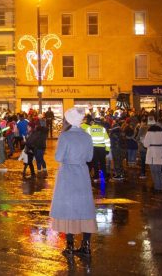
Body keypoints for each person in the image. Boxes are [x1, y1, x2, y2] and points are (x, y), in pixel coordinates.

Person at [50, 108, 97, 258]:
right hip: (82, 173)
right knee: (85, 206)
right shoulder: (87, 136)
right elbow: (89, 158)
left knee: (68, 207)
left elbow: (58, 157)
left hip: (67, 174)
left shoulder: (65, 136)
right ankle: (86, 245)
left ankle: (70, 246)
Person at [143, 118, 162, 191]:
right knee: (159, 171)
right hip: (159, 153)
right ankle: (160, 186)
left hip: (152, 153)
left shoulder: (149, 132)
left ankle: (157, 187)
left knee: (153, 171)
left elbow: (145, 144)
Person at [87, 117, 110, 183]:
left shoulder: (89, 129)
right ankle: (104, 177)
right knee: (103, 163)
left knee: (95, 163)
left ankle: (96, 177)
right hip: (102, 148)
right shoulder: (103, 129)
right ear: (100, 123)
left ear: (94, 122)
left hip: (93, 148)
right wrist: (107, 149)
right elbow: (107, 140)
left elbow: (86, 139)